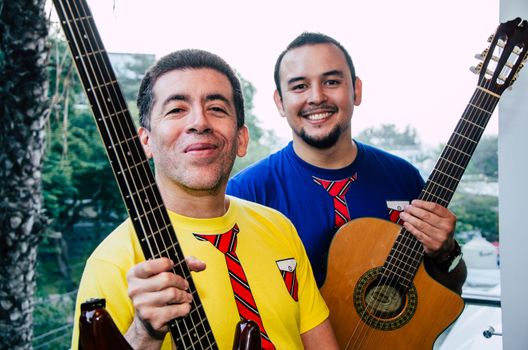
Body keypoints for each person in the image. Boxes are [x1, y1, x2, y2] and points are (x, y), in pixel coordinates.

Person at [71, 49, 339, 350]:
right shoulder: (113, 262)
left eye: (216, 108)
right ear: (145, 141)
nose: (199, 122)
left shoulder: (279, 228)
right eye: (176, 110)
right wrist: (144, 334)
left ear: (241, 139)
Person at [227, 32, 467, 293]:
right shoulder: (245, 194)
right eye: (299, 86)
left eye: (331, 81)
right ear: (280, 102)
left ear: (357, 90)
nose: (316, 97)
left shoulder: (403, 178)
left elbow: (447, 291)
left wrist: (446, 252)